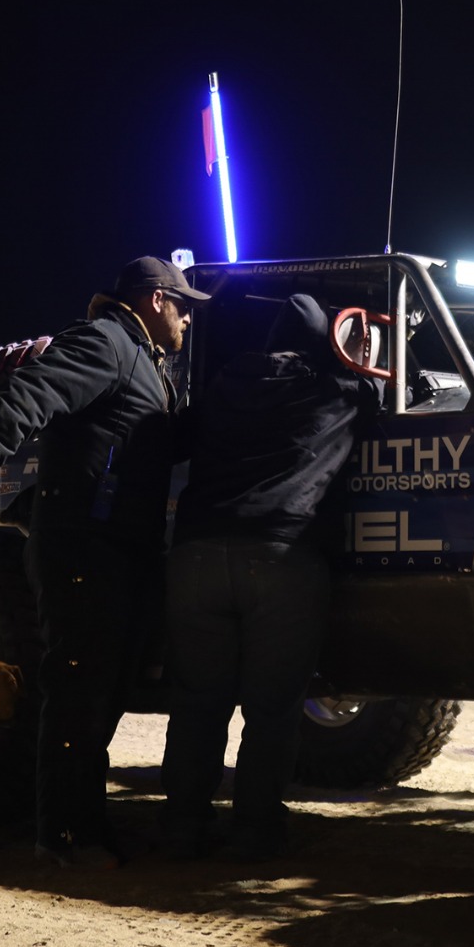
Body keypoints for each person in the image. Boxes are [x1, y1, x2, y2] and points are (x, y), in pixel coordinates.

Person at [0, 255, 206, 868]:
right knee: (79, 689)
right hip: (83, 547)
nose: (190, 317)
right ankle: (60, 837)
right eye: (183, 304)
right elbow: (33, 391)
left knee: (105, 692)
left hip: (121, 548)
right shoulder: (107, 343)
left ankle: (87, 827)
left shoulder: (151, 364)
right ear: (155, 300)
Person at [159, 294, 369, 861]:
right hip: (281, 559)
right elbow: (396, 388)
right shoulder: (335, 392)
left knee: (199, 705)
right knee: (272, 710)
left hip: (196, 556)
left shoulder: (222, 386)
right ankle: (254, 835)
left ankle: (181, 828)